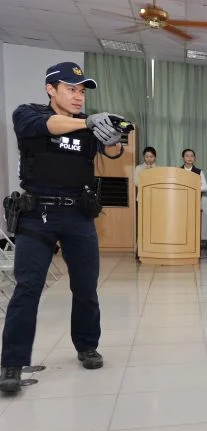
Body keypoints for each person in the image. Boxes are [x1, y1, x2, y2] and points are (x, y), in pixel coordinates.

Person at [0, 61, 125, 393]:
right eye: (71, 89)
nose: (78, 96)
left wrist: (113, 139)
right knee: (28, 288)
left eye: (82, 91)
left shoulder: (88, 126)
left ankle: (87, 346)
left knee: (86, 287)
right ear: (50, 89)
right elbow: (52, 125)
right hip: (37, 214)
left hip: (78, 215)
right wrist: (87, 123)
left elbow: (113, 151)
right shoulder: (28, 114)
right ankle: (12, 362)